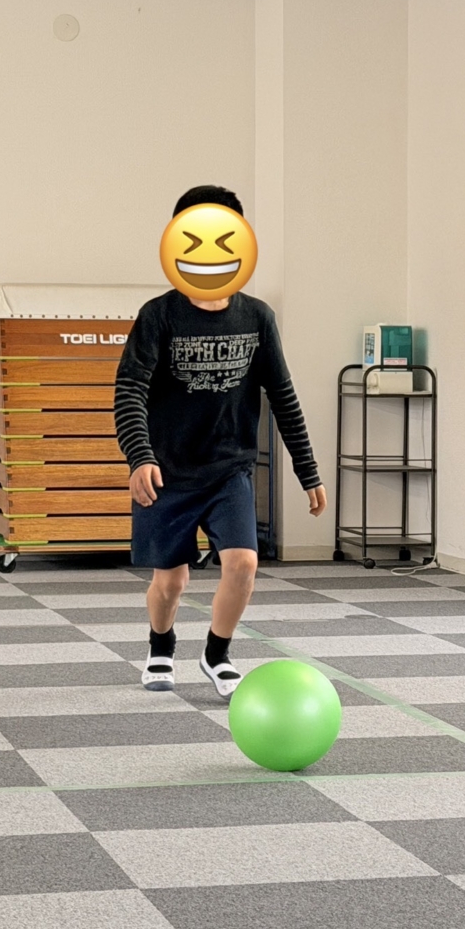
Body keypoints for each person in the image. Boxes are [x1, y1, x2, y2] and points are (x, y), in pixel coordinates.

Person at [114, 184, 326, 699]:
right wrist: (140, 457)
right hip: (169, 471)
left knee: (243, 563)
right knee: (171, 582)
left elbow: (282, 395)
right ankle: (161, 645)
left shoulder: (257, 318)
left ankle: (216, 653)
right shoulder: (158, 315)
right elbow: (129, 389)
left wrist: (308, 470)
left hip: (230, 468)